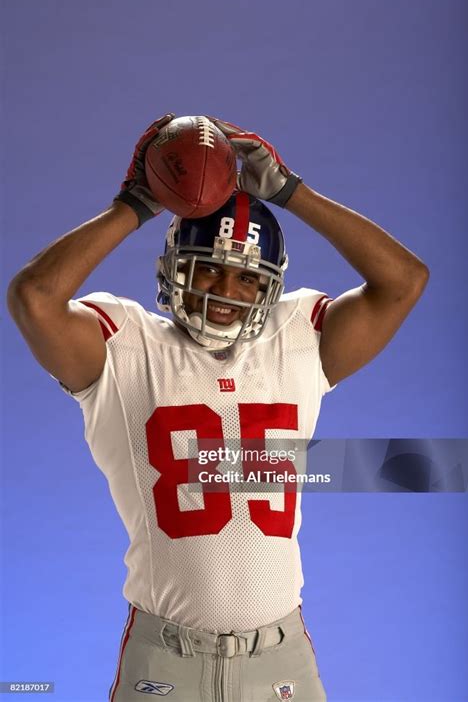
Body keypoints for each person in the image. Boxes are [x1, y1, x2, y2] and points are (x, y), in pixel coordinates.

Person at [7, 112, 429, 702]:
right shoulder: (127, 347)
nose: (225, 294)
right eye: (208, 270)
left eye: (245, 279)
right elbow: (35, 297)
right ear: (174, 267)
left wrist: (290, 192)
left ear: (270, 287)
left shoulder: (297, 342)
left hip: (281, 654)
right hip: (166, 657)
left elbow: (404, 280)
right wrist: (135, 204)